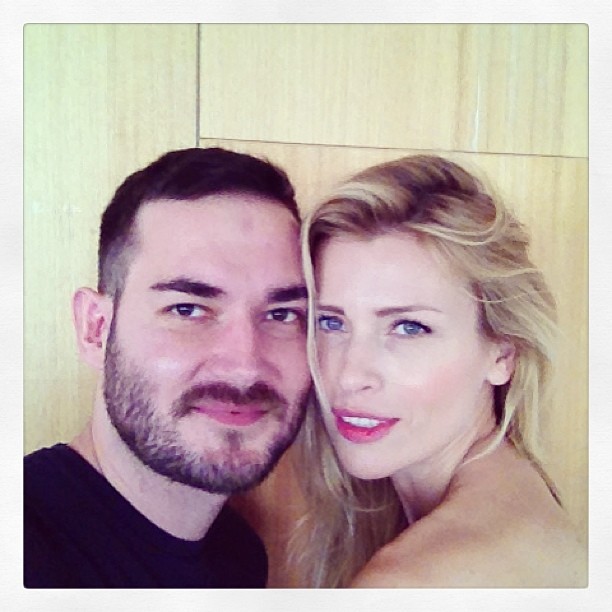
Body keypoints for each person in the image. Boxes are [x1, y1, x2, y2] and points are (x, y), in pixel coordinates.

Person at [293, 154, 586, 587]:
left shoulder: (409, 581)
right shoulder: (517, 501)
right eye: (331, 322)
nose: (349, 375)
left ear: (502, 354)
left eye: (409, 327)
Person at [24, 147, 311, 588]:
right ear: (95, 329)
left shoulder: (239, 555)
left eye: (282, 314)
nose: (244, 368)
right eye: (187, 309)